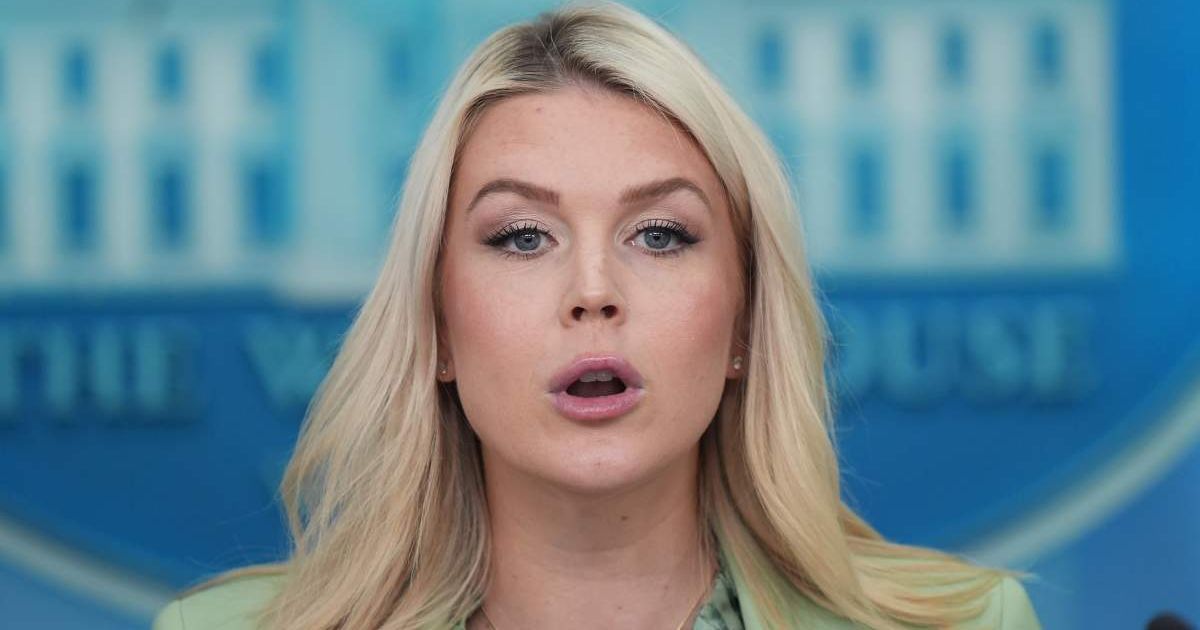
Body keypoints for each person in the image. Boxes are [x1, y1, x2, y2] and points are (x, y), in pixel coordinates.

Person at [153, 2, 1042, 628]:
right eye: (522, 237)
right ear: (438, 329)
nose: (593, 288)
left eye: (658, 234)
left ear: (743, 325)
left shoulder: (973, 625)